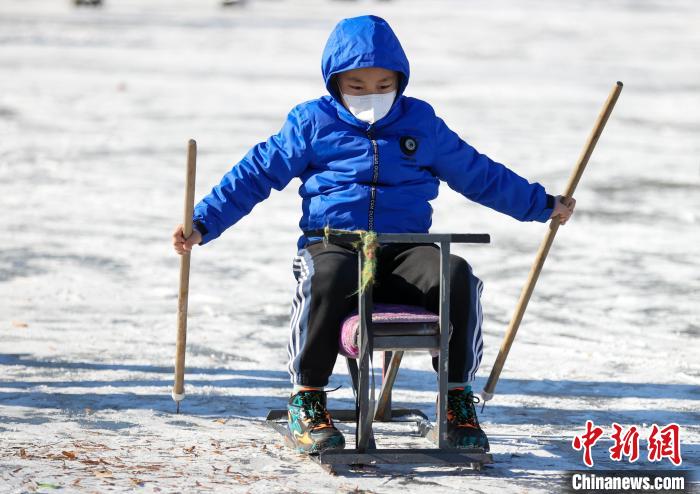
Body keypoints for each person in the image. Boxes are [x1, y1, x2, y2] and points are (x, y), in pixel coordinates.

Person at [172, 15, 575, 454]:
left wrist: (541, 204)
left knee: (455, 274)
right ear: (335, 82)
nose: (372, 96)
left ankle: (457, 397)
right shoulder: (311, 123)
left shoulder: (420, 123)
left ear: (399, 81)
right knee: (327, 278)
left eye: (384, 85)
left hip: (404, 250)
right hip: (335, 245)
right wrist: (203, 222)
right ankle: (307, 398)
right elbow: (255, 174)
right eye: (358, 86)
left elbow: (477, 172)